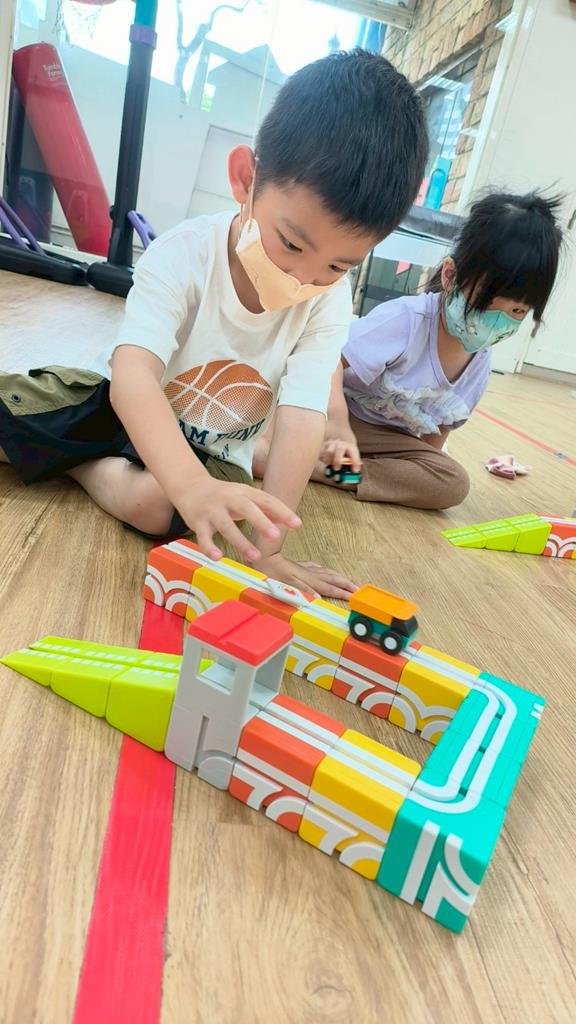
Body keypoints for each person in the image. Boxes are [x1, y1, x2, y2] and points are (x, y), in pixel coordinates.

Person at [0, 49, 427, 599]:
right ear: (246, 178)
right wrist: (189, 485)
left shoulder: (328, 302)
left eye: (338, 266)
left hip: (215, 451)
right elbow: (132, 378)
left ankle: (75, 464)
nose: (302, 278)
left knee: (165, 510)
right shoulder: (185, 252)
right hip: (112, 405)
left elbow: (303, 418)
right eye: (291, 243)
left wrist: (269, 550)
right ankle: (74, 449)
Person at [306, 191, 563, 509]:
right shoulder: (407, 319)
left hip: (384, 446)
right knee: (289, 419)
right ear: (450, 275)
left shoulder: (480, 362)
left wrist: (421, 466)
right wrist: (336, 423)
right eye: (485, 303)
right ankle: (317, 459)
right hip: (336, 417)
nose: (496, 321)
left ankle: (326, 471)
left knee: (451, 482)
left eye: (517, 311)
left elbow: (436, 432)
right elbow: (329, 361)